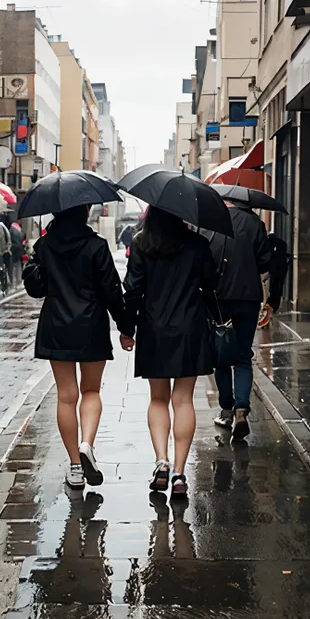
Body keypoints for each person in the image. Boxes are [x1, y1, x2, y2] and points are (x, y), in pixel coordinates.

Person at [23, 204, 131, 489]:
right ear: (85, 212)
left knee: (66, 396)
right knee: (91, 391)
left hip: (56, 326)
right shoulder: (96, 245)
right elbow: (111, 290)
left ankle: (74, 466)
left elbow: (36, 288)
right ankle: (87, 444)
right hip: (91, 325)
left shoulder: (45, 244)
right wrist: (125, 327)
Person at [122, 206, 217, 498]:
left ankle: (161, 461)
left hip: (154, 328)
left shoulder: (140, 244)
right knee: (184, 399)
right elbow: (211, 284)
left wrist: (128, 328)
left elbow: (133, 290)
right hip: (190, 327)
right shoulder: (198, 244)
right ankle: (178, 474)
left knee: (158, 398)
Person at [209, 203, 271, 439]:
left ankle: (226, 409)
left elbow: (207, 259)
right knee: (243, 356)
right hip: (247, 297)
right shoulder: (255, 223)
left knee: (222, 355)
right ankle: (242, 409)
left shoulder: (213, 221)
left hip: (219, 299)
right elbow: (265, 261)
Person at [9, 221, 25, 286]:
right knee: (18, 265)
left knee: (14, 266)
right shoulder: (18, 229)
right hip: (19, 249)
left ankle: (16, 281)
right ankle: (19, 280)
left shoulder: (12, 229)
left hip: (14, 250)